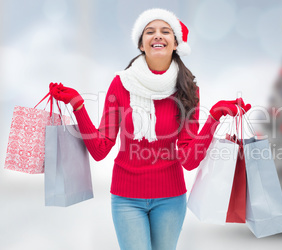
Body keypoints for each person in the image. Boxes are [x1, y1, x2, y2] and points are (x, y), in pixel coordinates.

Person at [50, 8, 251, 250]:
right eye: (150, 31)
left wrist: (214, 117)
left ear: (175, 43)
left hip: (171, 198)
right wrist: (78, 106)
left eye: (165, 31)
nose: (158, 35)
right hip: (126, 199)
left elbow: (188, 159)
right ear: (141, 44)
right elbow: (100, 148)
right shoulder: (120, 84)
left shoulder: (187, 89)